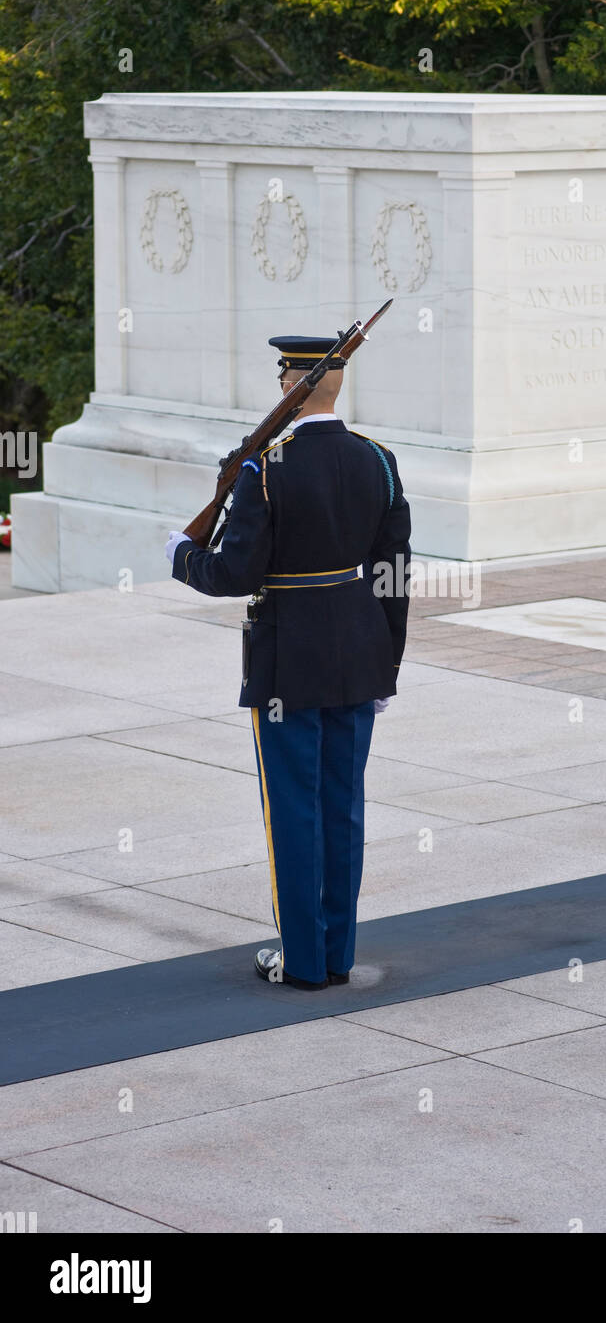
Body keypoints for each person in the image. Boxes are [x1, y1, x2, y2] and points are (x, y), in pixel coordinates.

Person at [164, 335, 411, 990]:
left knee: (293, 811)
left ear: (288, 384)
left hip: (286, 661)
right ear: (337, 386)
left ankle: (301, 962)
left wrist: (182, 558)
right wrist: (386, 665)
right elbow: (391, 574)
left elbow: (234, 574)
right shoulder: (378, 462)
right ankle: (337, 955)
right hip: (360, 653)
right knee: (344, 808)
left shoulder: (266, 470)